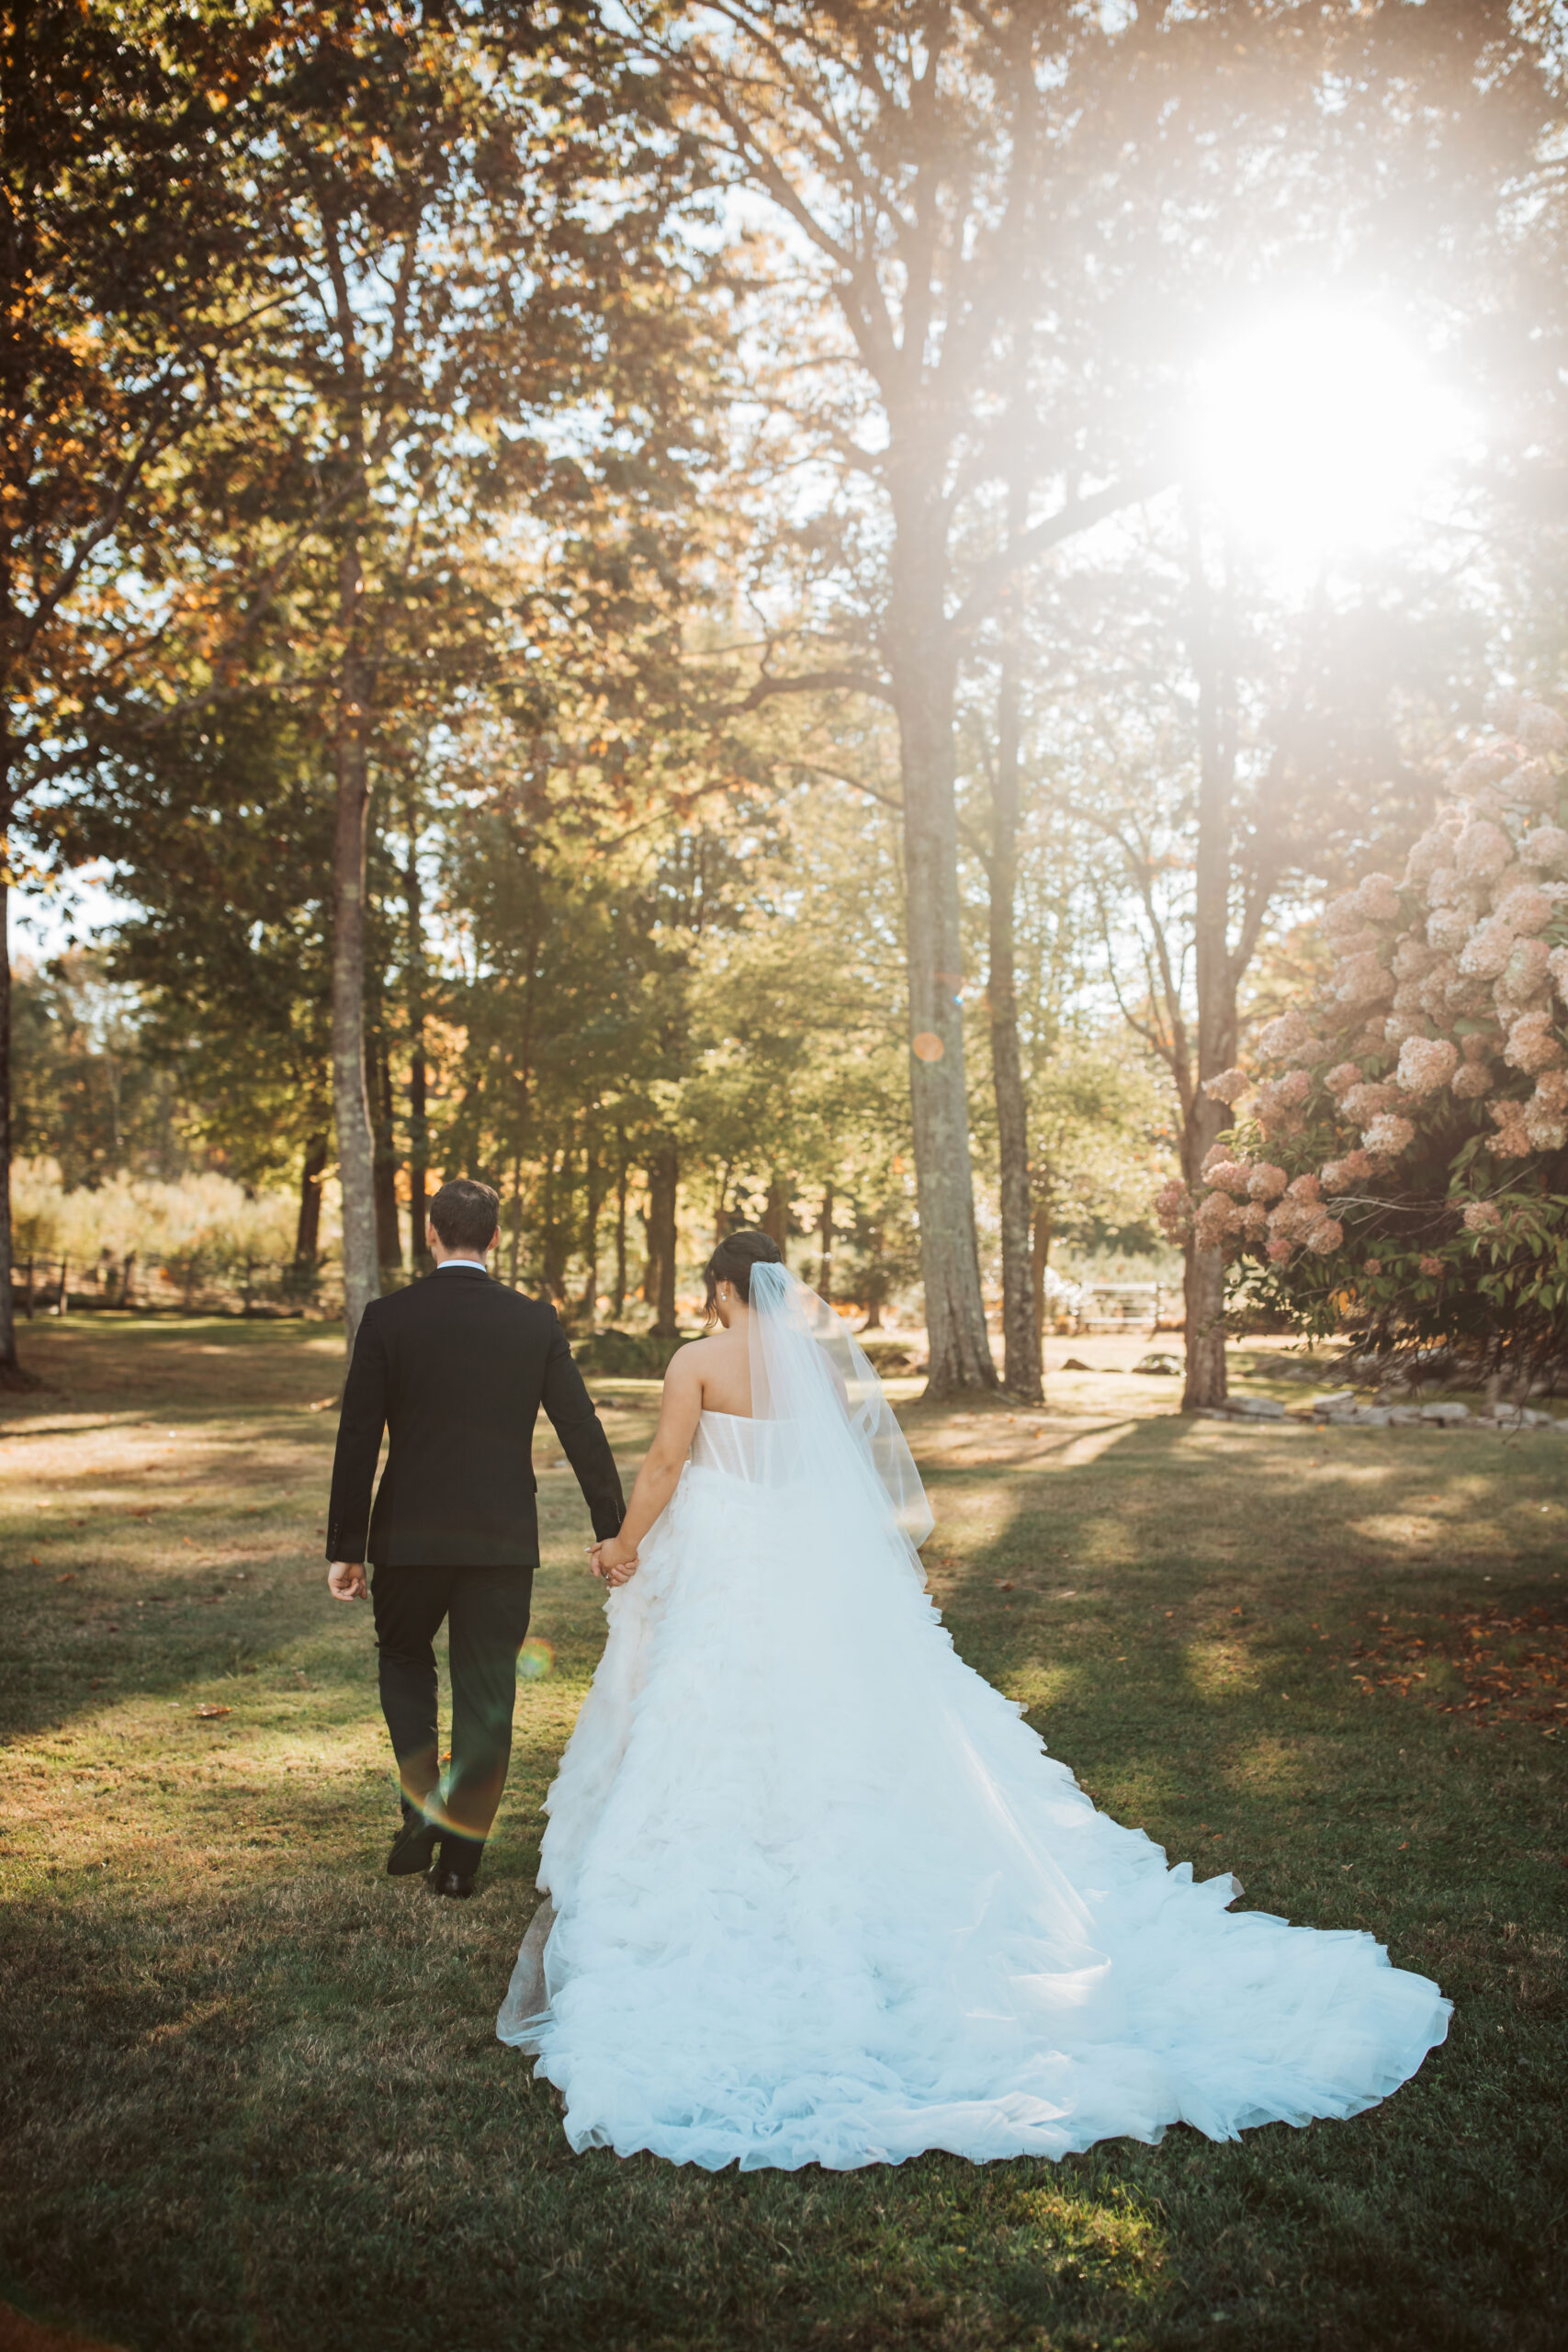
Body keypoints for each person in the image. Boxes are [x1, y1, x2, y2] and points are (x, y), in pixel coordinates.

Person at [497, 1227, 1450, 2170]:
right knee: (836, 1718)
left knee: (709, 1716)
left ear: (719, 1288)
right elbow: (843, 1477)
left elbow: (665, 1466)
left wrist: (623, 1543)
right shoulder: (817, 1373)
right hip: (807, 1569)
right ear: (780, 1287)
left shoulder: (697, 1359)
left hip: (727, 1565)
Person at [325, 1176, 625, 1898]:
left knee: (403, 1659)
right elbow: (579, 1426)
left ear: (432, 1234)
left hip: (407, 1536)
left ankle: (419, 1802)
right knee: (487, 1693)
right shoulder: (533, 1321)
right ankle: (459, 1866)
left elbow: (358, 1434)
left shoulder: (388, 1317)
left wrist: (347, 1544)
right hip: (500, 1539)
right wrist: (613, 1528)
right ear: (495, 1238)